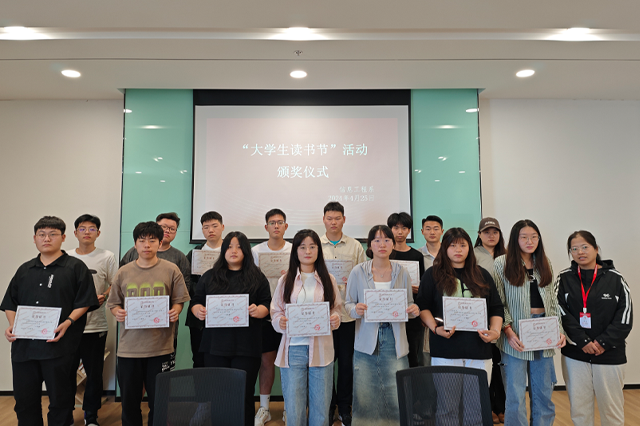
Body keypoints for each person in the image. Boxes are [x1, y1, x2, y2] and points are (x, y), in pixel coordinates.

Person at [1, 216, 98, 426]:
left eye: (52, 234)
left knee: (61, 400)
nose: (46, 239)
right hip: (24, 348)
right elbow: (10, 303)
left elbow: (85, 301)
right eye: (42, 234)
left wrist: (68, 322)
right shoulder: (25, 269)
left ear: (63, 237)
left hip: (59, 347)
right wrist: (12, 325)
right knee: (25, 401)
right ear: (34, 238)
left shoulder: (75, 267)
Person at [417, 227, 504, 425]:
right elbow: (423, 306)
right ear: (445, 248)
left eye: (463, 245)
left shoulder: (482, 274)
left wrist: (495, 331)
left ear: (469, 248)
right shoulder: (432, 274)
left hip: (479, 349)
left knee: (476, 407)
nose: (458, 250)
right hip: (445, 350)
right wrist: (435, 328)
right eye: (453, 245)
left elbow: (496, 307)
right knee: (447, 408)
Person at [108, 221, 190, 426]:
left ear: (160, 243)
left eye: (152, 240)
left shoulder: (171, 269)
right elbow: (113, 303)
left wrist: (176, 310)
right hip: (129, 349)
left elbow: (179, 300)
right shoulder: (123, 272)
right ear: (135, 244)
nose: (147, 244)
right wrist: (118, 312)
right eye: (142, 240)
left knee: (160, 400)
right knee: (129, 401)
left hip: (161, 347)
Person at [191, 231, 271, 426]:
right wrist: (198, 310)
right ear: (223, 250)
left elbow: (266, 304)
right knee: (217, 394)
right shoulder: (210, 276)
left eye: (239, 247)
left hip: (246, 347)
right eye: (229, 246)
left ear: (246, 251)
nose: (233, 251)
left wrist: (258, 310)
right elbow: (196, 301)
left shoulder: (257, 277)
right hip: (215, 347)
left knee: (244, 394)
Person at [493, 219, 566, 426]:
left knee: (544, 390)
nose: (529, 241)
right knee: (515, 393)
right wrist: (508, 330)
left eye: (534, 237)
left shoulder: (545, 262)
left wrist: (559, 330)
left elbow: (553, 301)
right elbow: (498, 302)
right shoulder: (501, 263)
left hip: (544, 329)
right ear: (515, 239)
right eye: (524, 237)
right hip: (515, 333)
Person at [345, 225, 420, 426]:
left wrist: (413, 309)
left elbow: (408, 303)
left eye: (387, 240)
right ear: (369, 245)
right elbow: (348, 304)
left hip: (394, 337)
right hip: (366, 336)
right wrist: (356, 310)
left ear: (393, 244)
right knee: (365, 390)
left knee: (396, 389)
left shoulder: (402, 272)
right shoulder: (358, 271)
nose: (382, 244)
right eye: (377, 240)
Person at [557, 230, 632, 426]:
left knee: (612, 411)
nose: (580, 252)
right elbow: (560, 312)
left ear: (596, 249)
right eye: (574, 249)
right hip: (575, 354)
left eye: (585, 247)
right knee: (579, 410)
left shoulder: (616, 278)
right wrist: (582, 341)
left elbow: (624, 317)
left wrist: (601, 342)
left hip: (609, 354)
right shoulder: (563, 278)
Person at [271, 229, 342, 426]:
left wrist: (335, 318)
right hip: (293, 349)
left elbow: (337, 308)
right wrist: (280, 321)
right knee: (294, 407)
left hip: (321, 349)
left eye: (312, 246)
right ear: (295, 251)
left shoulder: (329, 279)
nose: (308, 251)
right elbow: (275, 311)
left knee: (321, 406)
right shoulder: (285, 280)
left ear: (319, 250)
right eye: (302, 247)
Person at [68, 214, 118, 426]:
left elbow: (115, 284)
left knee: (94, 374)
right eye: (82, 228)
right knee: (65, 374)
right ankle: (66, 416)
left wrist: (104, 296)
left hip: (96, 325)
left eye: (91, 229)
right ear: (75, 233)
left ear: (98, 233)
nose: (86, 232)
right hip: (68, 326)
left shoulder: (107, 256)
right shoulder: (65, 256)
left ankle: (91, 417)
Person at [320, 202, 366, 426]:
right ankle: (328, 405)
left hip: (347, 315)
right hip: (323, 316)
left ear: (344, 220)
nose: (333, 222)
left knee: (347, 363)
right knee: (326, 362)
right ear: (324, 220)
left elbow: (363, 277)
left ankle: (345, 407)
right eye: (329, 218)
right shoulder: (315, 244)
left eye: (337, 218)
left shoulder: (355, 246)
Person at [251, 208, 293, 426]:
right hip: (265, 315)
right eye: (272, 222)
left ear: (286, 226)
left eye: (280, 222)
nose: (276, 226)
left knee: (291, 363)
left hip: (291, 315)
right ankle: (265, 408)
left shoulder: (295, 249)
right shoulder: (256, 251)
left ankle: (289, 408)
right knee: (266, 362)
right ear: (266, 227)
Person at [473, 217, 507, 424]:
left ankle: (502, 406)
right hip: (483, 315)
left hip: (506, 315)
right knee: (489, 363)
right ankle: (489, 407)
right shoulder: (473, 255)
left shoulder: (508, 255)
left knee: (503, 364)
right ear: (479, 235)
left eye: (495, 232)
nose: (491, 235)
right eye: (486, 232)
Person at [185, 211, 225, 368]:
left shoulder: (231, 251)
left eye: (214, 226)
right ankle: (201, 386)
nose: (211, 230)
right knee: (199, 358)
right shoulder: (195, 253)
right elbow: (186, 281)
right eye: (206, 227)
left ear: (222, 227)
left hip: (225, 311)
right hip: (199, 313)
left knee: (222, 358)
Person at [387, 212, 425, 368]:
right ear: (390, 229)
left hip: (410, 312)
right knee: (390, 354)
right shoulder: (385, 254)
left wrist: (418, 290)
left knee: (411, 353)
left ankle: (410, 383)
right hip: (389, 310)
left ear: (409, 230)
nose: (400, 232)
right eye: (396, 228)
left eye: (404, 228)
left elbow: (422, 284)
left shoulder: (417, 255)